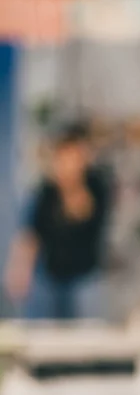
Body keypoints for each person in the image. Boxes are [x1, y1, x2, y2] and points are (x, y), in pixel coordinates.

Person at [4, 122, 112, 319]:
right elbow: (30, 234)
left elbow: (82, 212)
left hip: (84, 277)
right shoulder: (44, 192)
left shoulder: (97, 185)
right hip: (50, 277)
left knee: (85, 334)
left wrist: (71, 185)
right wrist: (19, 271)